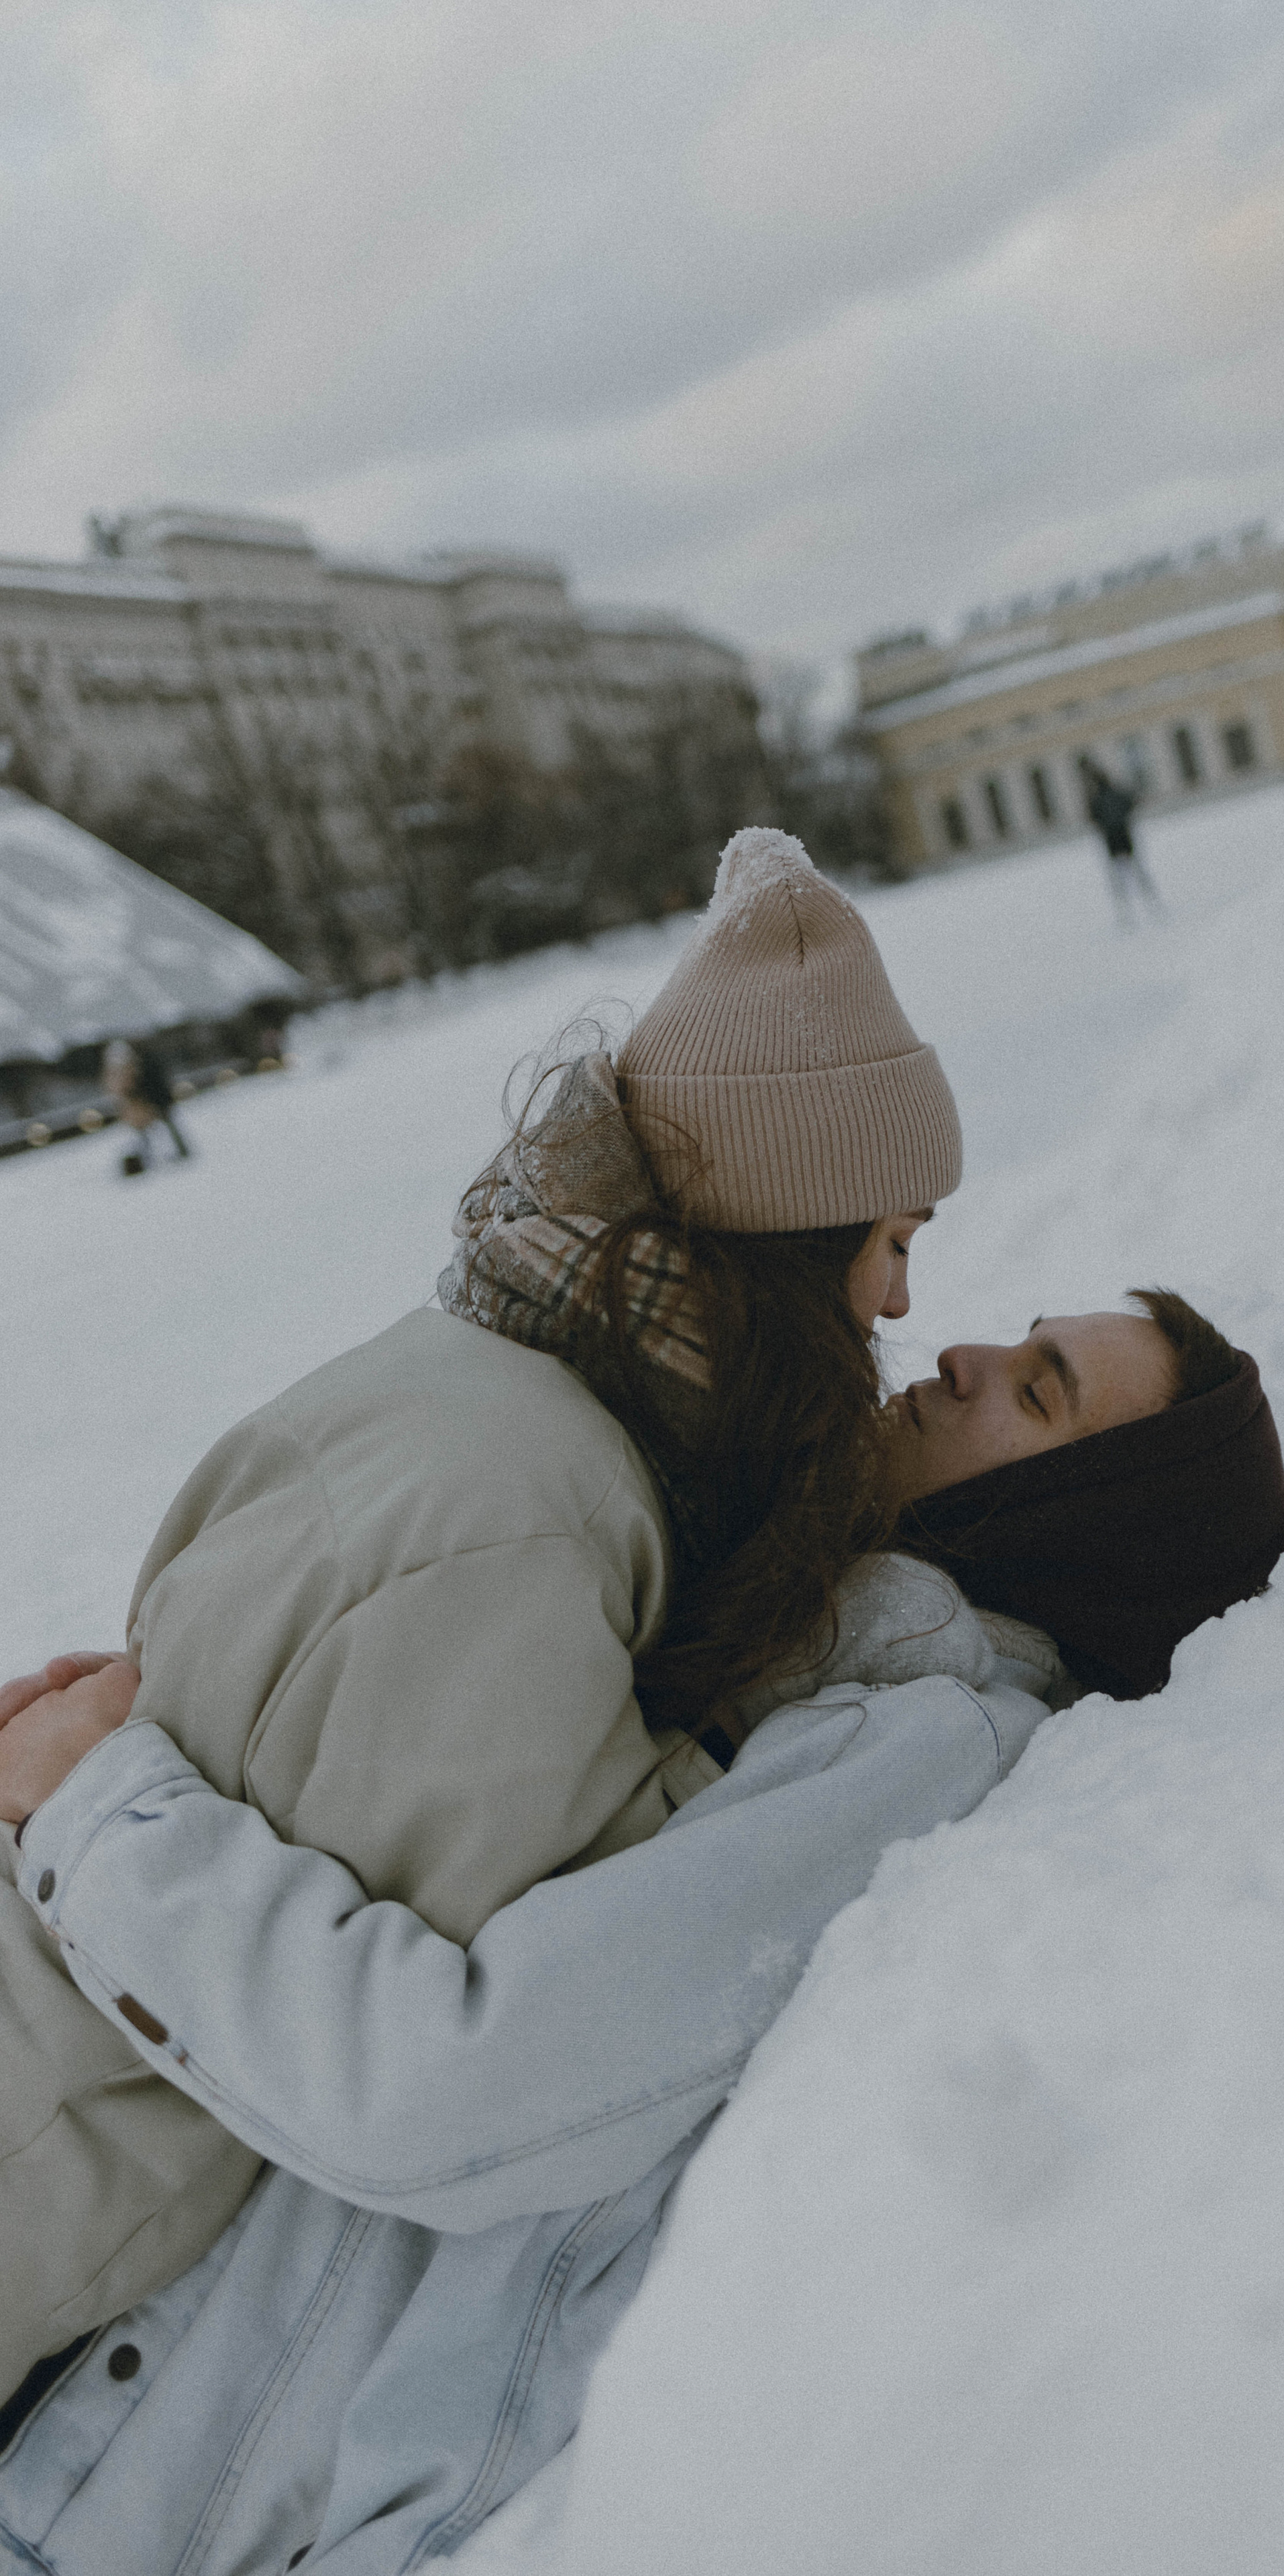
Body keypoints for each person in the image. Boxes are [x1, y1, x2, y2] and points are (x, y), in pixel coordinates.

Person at [0, 1287, 1284, 2573]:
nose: (965, 1356)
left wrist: (101, 1812)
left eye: (1038, 1389)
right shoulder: (812, 1659)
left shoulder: (926, 1746)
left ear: (1088, 1529)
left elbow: (455, 2087)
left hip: (135, 2502)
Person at [0, 826, 962, 2408]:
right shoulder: (529, 1509)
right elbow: (443, 2009)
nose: (904, 1307)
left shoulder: (514, 1404)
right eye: (894, 1241)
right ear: (795, 1239)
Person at [1077, 751, 1161, 924]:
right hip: (1123, 834)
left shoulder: (1097, 799)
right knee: (1136, 869)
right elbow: (1131, 803)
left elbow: (1092, 818)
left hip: (1112, 839)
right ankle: (1149, 900)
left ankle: (1126, 908)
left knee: (1120, 874)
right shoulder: (1115, 794)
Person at [101, 1038, 193, 1175]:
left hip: (152, 1102)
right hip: (145, 1104)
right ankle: (154, 1157)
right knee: (150, 1132)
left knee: (162, 1129)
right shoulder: (134, 1068)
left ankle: (178, 1152)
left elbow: (146, 1086)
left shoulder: (140, 1067)